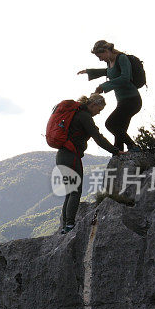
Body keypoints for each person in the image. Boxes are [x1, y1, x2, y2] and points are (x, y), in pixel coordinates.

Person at [57, 93, 122, 234]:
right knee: (75, 191)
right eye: (99, 110)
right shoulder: (84, 116)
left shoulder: (77, 113)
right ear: (93, 105)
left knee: (70, 192)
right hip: (71, 156)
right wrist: (116, 151)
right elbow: (98, 138)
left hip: (62, 156)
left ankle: (65, 227)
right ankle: (69, 226)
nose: (98, 113)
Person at [77, 40, 142, 152]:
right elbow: (108, 72)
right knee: (119, 131)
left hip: (132, 100)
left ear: (106, 51)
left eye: (100, 56)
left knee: (111, 124)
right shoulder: (109, 62)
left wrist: (103, 86)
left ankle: (134, 147)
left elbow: (125, 78)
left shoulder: (121, 58)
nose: (100, 59)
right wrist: (89, 71)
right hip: (122, 101)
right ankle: (118, 155)